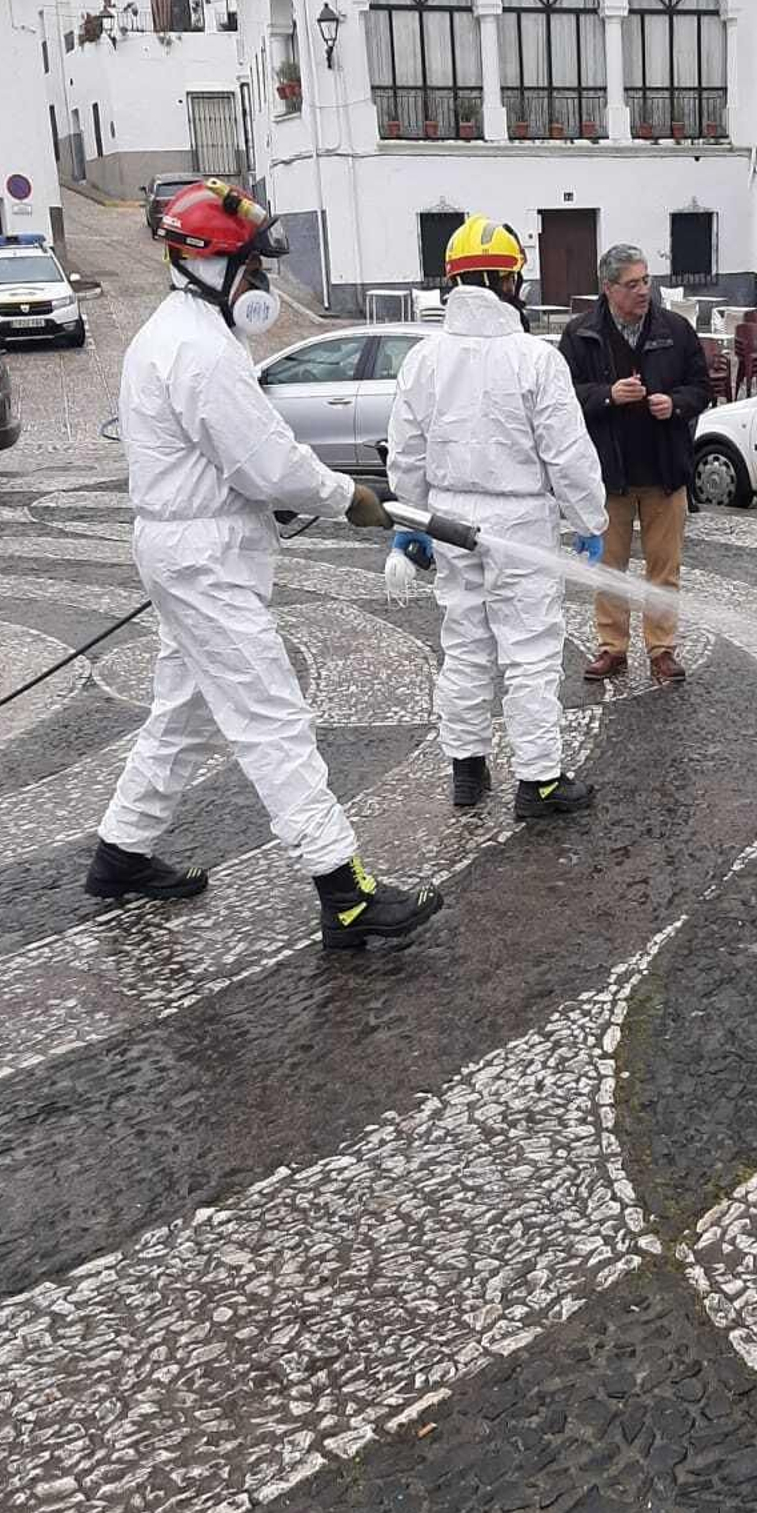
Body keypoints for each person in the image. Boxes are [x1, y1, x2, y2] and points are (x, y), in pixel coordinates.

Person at [86, 179, 441, 955]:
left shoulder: (170, 333)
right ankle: (342, 889)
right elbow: (268, 463)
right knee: (271, 716)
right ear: (212, 265)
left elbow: (232, 462)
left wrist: (288, 494)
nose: (262, 287)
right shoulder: (204, 351)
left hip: (189, 547)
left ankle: (121, 851)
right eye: (253, 269)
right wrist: (346, 494)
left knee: (184, 708)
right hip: (203, 559)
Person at [385, 214, 608, 819]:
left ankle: (467, 768)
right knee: (530, 652)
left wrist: (412, 524)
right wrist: (590, 520)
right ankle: (537, 781)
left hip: (452, 522)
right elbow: (566, 452)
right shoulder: (534, 360)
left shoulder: (423, 360)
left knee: (464, 647)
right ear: (512, 282)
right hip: (520, 527)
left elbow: (405, 452)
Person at [560, 245, 711, 686]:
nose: (644, 290)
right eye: (632, 284)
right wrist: (608, 395)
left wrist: (677, 404)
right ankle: (612, 648)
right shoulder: (580, 334)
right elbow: (563, 396)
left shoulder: (676, 329)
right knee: (610, 568)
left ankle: (662, 648)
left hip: (665, 471)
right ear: (608, 288)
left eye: (646, 280)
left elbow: (702, 388)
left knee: (665, 568)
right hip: (610, 475)